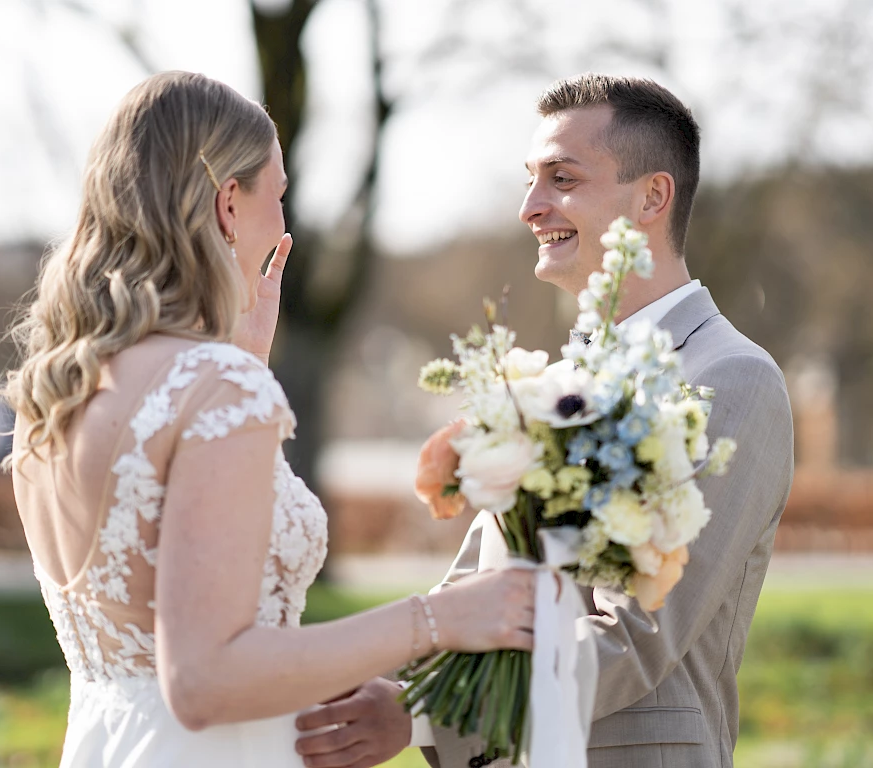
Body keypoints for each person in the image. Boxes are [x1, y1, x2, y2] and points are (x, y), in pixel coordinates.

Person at [0, 71, 536, 768]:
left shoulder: (62, 387)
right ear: (228, 204)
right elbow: (203, 678)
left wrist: (242, 358)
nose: (284, 225)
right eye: (277, 196)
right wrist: (438, 619)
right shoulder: (215, 389)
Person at [296, 74, 794, 768]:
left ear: (653, 196)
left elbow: (639, 634)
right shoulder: (554, 383)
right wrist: (370, 678)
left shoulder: (729, 379)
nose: (531, 207)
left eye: (562, 178)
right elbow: (475, 584)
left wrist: (416, 715)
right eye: (529, 180)